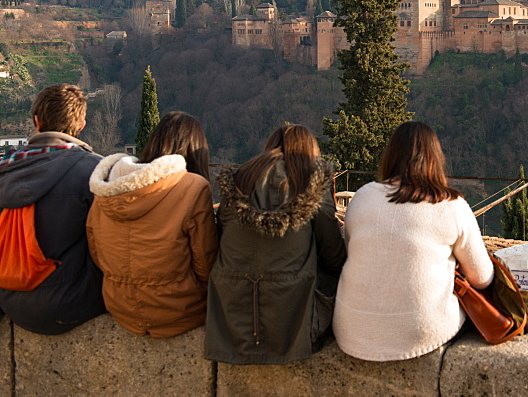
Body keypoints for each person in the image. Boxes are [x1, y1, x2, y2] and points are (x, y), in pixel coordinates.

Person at [334, 121, 494, 361]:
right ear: (435, 158)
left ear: (391, 155)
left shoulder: (363, 197)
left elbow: (353, 251)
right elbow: (482, 279)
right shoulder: (451, 205)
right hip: (421, 333)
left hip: (351, 331)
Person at [204, 125, 345, 364]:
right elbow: (333, 255)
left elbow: (220, 239)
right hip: (294, 317)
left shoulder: (237, 181)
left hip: (231, 316)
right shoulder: (311, 184)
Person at [86, 111, 218, 337]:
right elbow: (205, 262)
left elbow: (96, 250)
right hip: (178, 309)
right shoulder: (193, 187)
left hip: (120, 307)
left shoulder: (107, 187)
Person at [0, 83, 106, 334]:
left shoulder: (4, 169)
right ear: (81, 125)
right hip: (74, 302)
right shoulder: (95, 172)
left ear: (36, 120)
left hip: (10, 299)